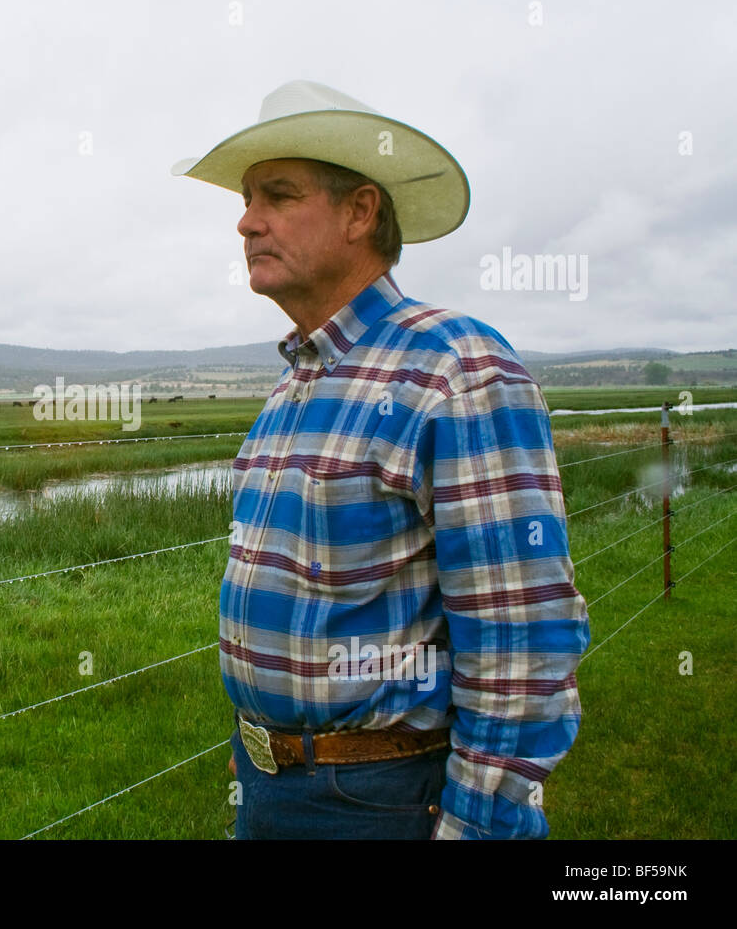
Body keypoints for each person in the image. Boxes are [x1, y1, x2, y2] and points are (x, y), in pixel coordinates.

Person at [171, 81, 590, 839]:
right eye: (245, 197)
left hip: (383, 802)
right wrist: (264, 744)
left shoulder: (453, 368)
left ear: (360, 212)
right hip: (277, 787)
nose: (245, 220)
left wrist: (477, 826)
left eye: (278, 195)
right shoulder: (295, 384)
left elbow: (520, 642)